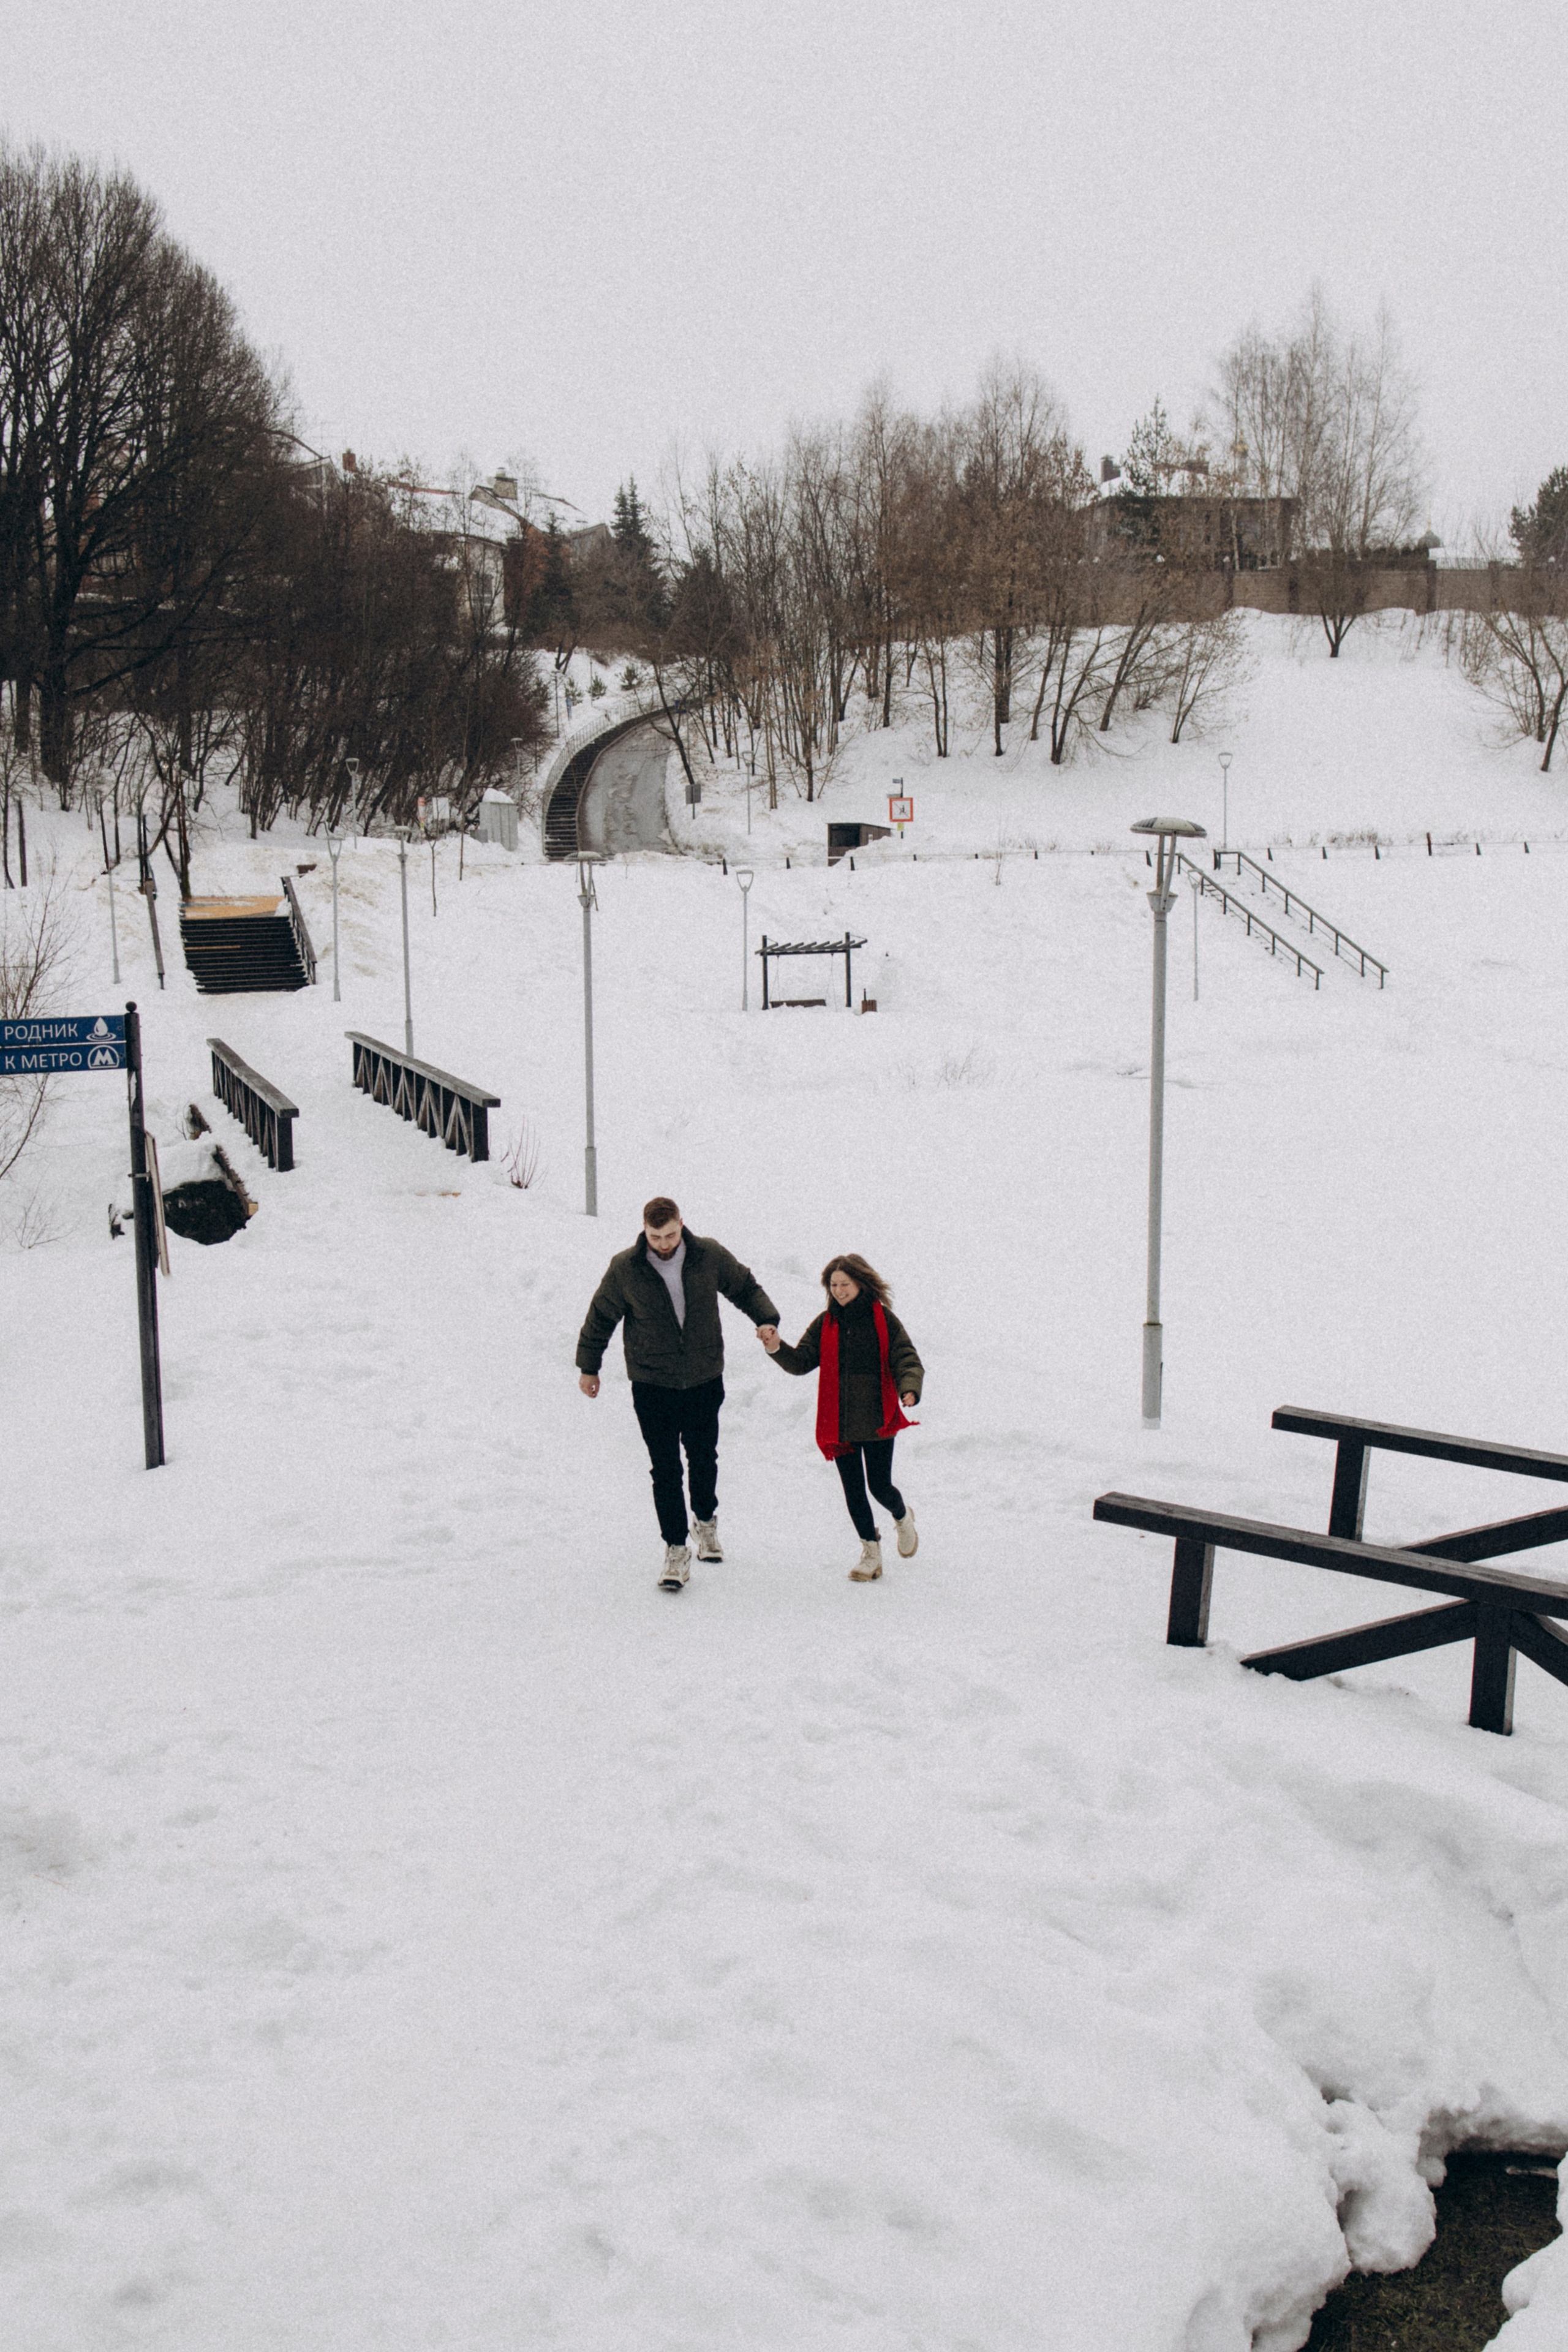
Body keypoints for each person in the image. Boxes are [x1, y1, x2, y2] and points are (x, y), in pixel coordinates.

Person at [577, 1196, 780, 1591]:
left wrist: (767, 1319)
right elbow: (601, 1316)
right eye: (657, 1236)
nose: (665, 1243)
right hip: (652, 1384)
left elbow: (744, 1286)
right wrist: (590, 1367)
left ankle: (705, 1523)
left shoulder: (708, 1255)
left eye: (671, 1234)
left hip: (704, 1377)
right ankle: (675, 1548)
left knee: (704, 1456)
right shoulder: (626, 1268)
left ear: (682, 1224)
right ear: (645, 1232)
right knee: (665, 1468)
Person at [761, 1253, 922, 1581]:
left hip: (878, 1419)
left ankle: (903, 1517)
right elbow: (802, 1361)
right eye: (833, 1285)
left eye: (844, 1284)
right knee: (853, 1491)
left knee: (879, 1487)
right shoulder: (826, 1323)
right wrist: (776, 1347)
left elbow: (906, 1356)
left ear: (861, 1283)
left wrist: (910, 1388)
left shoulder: (884, 1319)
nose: (838, 1291)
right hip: (840, 1423)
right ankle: (871, 1552)